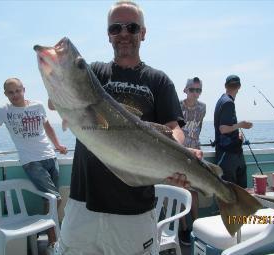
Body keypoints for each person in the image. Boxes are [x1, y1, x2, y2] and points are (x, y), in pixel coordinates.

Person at [56, 1, 202, 254]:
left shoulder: (158, 80)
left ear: (143, 33)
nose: (124, 33)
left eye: (132, 27)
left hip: (134, 210)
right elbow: (64, 94)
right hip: (82, 204)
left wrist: (180, 153)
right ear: (109, 34)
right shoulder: (95, 74)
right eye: (116, 28)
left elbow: (173, 128)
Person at [0, 78, 67, 254]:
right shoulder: (4, 111)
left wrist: (58, 145)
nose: (15, 95)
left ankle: (47, 233)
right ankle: (53, 241)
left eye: (17, 91)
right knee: (56, 198)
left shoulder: (37, 105)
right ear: (5, 94)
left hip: (50, 157)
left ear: (24, 90)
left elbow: (48, 127)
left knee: (49, 199)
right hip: (31, 161)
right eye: (10, 92)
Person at [179, 77, 206, 245]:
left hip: (195, 153)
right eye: (192, 90)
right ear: (185, 90)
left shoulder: (203, 108)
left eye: (198, 90)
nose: (195, 93)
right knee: (181, 190)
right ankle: (184, 228)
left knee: (194, 191)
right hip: (180, 153)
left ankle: (197, 226)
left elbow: (199, 127)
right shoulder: (177, 107)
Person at [214, 75, 252, 188]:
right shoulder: (228, 103)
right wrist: (242, 125)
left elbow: (228, 126)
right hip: (227, 154)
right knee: (232, 191)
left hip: (233, 152)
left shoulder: (223, 100)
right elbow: (223, 128)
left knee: (237, 191)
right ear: (239, 87)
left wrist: (237, 133)